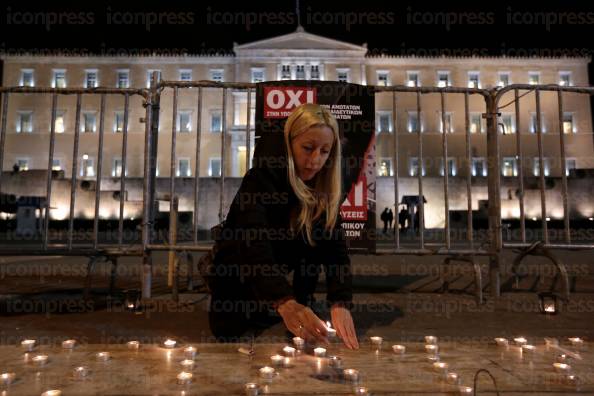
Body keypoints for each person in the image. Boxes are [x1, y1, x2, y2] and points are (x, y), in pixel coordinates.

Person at [208, 103, 359, 349]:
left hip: (284, 270)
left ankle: (300, 302)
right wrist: (283, 301)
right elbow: (252, 243)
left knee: (315, 229)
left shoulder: (322, 187)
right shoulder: (259, 180)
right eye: (308, 148)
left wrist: (340, 301)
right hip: (238, 270)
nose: (315, 160)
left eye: (324, 151)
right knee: (229, 331)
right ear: (289, 145)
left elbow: (336, 250)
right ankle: (277, 304)